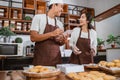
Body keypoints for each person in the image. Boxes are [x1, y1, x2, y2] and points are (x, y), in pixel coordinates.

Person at [30, 0, 66, 66]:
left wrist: (62, 39)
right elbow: (33, 37)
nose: (62, 9)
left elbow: (61, 43)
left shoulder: (60, 24)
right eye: (61, 6)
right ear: (54, 5)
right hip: (41, 61)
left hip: (56, 61)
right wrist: (52, 34)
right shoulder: (38, 18)